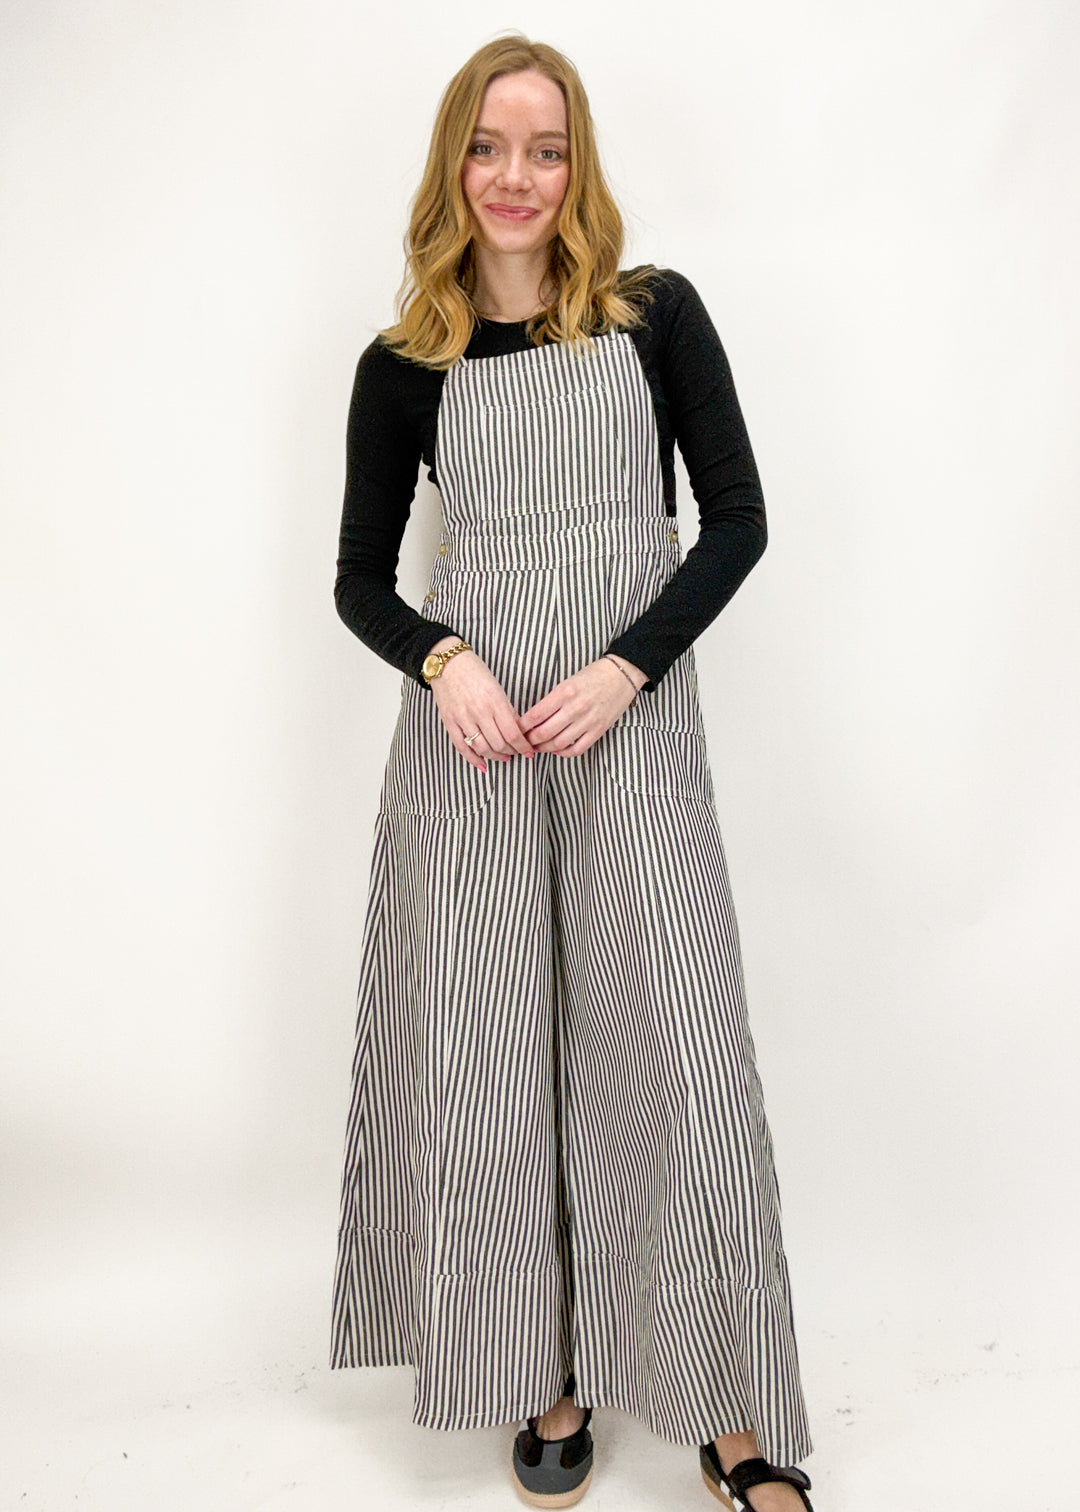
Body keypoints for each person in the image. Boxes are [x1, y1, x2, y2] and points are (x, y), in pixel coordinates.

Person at [329, 32, 816, 1512]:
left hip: (632, 731)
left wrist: (626, 663)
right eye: (489, 148)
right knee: (498, 1064)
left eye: (544, 149)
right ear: (452, 167)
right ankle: (542, 1373)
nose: (517, 177)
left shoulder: (655, 318)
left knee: (678, 1052)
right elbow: (359, 582)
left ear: (579, 164)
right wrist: (444, 659)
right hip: (474, 757)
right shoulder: (402, 365)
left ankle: (735, 1408)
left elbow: (734, 521)